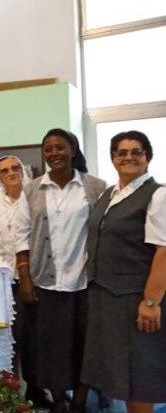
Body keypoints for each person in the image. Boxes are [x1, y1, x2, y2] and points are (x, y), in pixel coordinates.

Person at [14, 129, 106, 412]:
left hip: (85, 281)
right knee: (50, 346)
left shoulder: (96, 187)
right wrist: (26, 278)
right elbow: (21, 235)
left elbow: (106, 229)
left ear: (73, 149)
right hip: (46, 281)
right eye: (48, 149)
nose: (54, 153)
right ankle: (60, 401)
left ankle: (80, 400)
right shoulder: (31, 189)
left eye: (60, 147)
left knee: (86, 345)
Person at [82, 131, 166, 413]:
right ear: (113, 158)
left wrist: (151, 302)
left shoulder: (158, 195)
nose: (128, 157)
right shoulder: (110, 194)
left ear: (148, 158)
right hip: (107, 297)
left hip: (136, 298)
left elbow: (164, 253)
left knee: (139, 375)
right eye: (121, 152)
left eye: (137, 151)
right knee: (120, 373)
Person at [0, 156, 48, 407]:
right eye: (4, 170)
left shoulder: (35, 194)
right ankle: (9, 388)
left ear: (22, 170)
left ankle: (35, 388)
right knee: (10, 336)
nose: (11, 173)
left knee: (33, 335)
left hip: (35, 275)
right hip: (3, 277)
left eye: (15, 168)